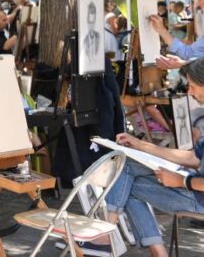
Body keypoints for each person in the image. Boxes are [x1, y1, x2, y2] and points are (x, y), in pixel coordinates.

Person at [84, 58, 204, 256]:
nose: (189, 92)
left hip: (197, 196)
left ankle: (107, 235)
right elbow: (193, 158)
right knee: (125, 175)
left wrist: (182, 181)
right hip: (194, 188)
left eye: (192, 86)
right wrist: (142, 145)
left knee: (125, 180)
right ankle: (113, 236)